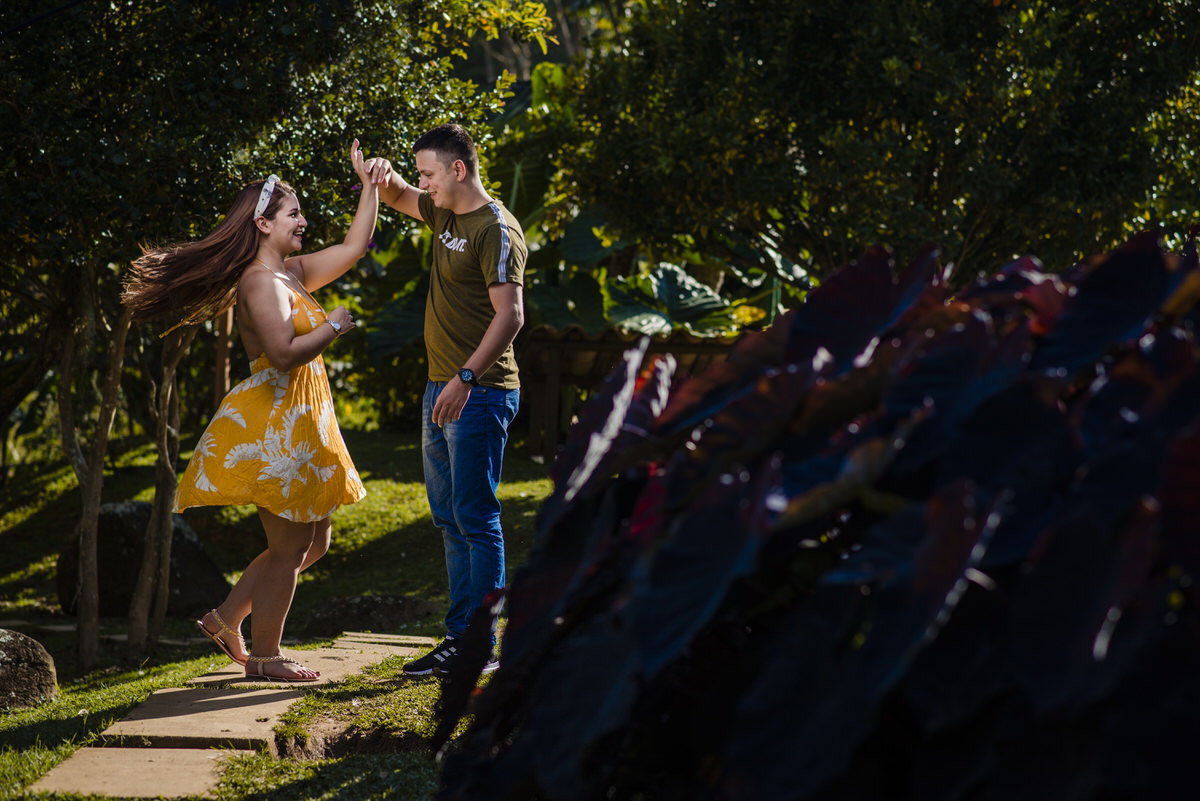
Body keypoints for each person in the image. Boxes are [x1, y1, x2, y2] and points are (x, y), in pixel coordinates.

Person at [122, 140, 387, 682]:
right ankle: (265, 658)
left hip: (304, 422)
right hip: (276, 426)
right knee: (289, 547)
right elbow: (284, 355)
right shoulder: (259, 282)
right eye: (293, 213)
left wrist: (371, 187)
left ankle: (226, 618)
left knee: (315, 542)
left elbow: (356, 247)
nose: (303, 220)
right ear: (263, 224)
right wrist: (333, 325)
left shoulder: (291, 273)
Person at [372, 123, 526, 677]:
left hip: (479, 392)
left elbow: (511, 316)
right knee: (448, 517)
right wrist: (378, 174)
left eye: (428, 174)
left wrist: (464, 377)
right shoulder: (444, 213)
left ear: (458, 170)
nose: (423, 184)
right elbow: (394, 195)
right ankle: (460, 636)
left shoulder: (496, 230)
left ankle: (478, 646)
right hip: (442, 388)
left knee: (476, 516)